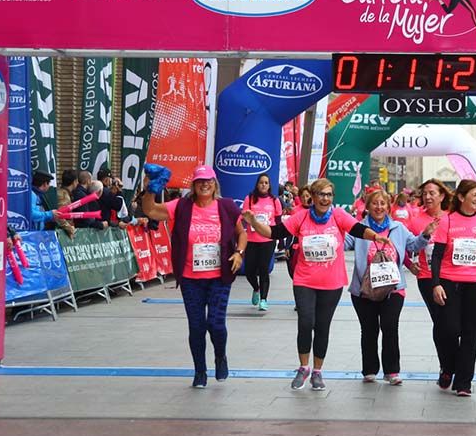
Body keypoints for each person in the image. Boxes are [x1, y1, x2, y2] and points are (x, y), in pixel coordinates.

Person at [141, 165, 251, 388]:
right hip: (190, 277)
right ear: (193, 185)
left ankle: (220, 356)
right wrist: (151, 189)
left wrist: (239, 253)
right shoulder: (181, 206)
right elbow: (150, 211)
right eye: (200, 181)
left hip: (219, 276)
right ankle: (200, 371)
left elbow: (242, 234)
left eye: (208, 181)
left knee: (216, 323)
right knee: (197, 326)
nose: (204, 184)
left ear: (215, 184)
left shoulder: (227, 206)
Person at [277, 178, 380, 391]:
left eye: (329, 195)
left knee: (322, 326)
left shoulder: (338, 215)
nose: (325, 199)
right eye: (321, 194)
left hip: (331, 282)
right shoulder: (301, 217)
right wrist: (253, 222)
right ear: (313, 197)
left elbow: (358, 229)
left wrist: (375, 237)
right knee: (305, 322)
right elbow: (275, 232)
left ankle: (317, 371)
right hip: (304, 279)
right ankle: (303, 367)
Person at [350, 189, 433, 384]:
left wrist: (425, 235)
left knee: (389, 326)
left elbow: (413, 246)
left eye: (383, 203)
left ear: (389, 207)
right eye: (374, 203)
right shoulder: (359, 228)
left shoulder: (398, 228)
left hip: (393, 288)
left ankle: (392, 371)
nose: (379, 207)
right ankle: (369, 370)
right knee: (369, 329)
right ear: (367, 207)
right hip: (364, 290)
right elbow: (343, 242)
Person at [430, 179, 476, 396]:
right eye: (474, 195)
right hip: (450, 282)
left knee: (471, 335)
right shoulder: (447, 220)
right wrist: (436, 284)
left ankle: (463, 382)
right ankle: (448, 367)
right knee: (449, 330)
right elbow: (437, 255)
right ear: (461, 197)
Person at [404, 179, 453, 371]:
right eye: (425, 193)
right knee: (439, 320)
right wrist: (409, 264)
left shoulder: (451, 217)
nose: (427, 196)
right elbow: (403, 244)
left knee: (451, 323)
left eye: (432, 193)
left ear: (442, 196)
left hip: (450, 276)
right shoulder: (416, 220)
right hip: (427, 277)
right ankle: (445, 366)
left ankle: (451, 360)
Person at [243, 173, 283, 312]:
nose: (264, 185)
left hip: (268, 240)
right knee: (249, 270)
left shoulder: (274, 200)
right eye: (261, 182)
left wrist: (281, 241)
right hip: (251, 239)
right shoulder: (249, 199)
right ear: (257, 184)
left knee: (263, 269)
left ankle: (264, 299)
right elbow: (244, 219)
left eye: (266, 183)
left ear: (269, 185)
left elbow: (278, 222)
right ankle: (256, 288)